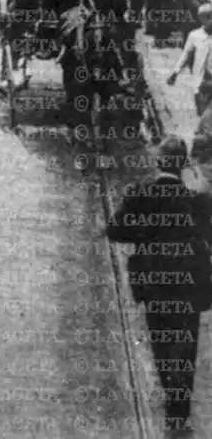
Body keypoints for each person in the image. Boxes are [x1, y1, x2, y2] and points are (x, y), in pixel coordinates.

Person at [105, 135, 212, 432]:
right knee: (186, 345)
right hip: (190, 281)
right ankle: (179, 413)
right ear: (183, 164)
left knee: (162, 341)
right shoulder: (199, 199)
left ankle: (170, 397)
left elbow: (115, 231)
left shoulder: (142, 194)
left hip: (155, 282)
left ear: (159, 161)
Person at [168, 4, 212, 116]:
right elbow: (185, 55)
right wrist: (175, 73)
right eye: (208, 17)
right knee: (203, 115)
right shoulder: (195, 36)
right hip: (201, 83)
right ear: (202, 19)